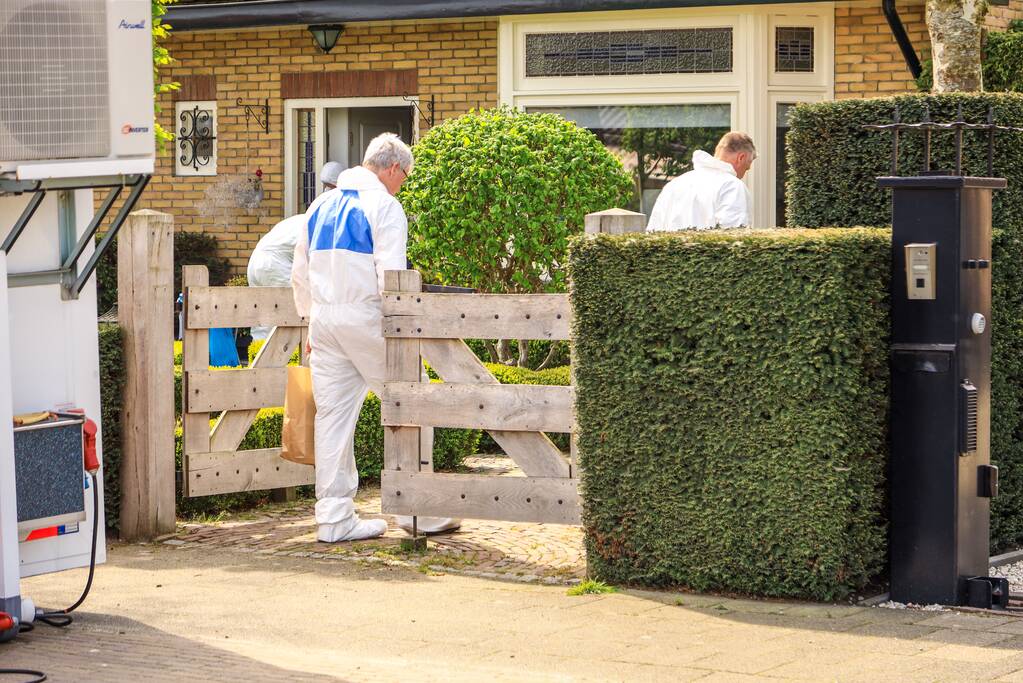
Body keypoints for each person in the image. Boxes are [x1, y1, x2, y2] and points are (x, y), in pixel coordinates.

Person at [292, 133, 460, 543]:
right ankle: (415, 509)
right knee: (411, 401)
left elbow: (300, 272)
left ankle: (333, 520)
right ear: (391, 168)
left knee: (332, 418)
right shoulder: (384, 205)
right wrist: (400, 329)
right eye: (404, 175)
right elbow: (392, 279)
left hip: (324, 322)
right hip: (367, 317)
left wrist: (310, 319)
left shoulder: (319, 205)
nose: (403, 183)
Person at [247, 162, 344, 339]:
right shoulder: (320, 225)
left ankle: (258, 360)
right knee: (293, 314)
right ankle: (288, 361)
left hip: (255, 262)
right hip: (274, 264)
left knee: (263, 318)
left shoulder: (301, 219)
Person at [646, 131, 756, 231]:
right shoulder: (732, 186)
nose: (742, 175)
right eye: (746, 168)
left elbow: (653, 232)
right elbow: (734, 237)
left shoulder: (673, 185)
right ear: (741, 158)